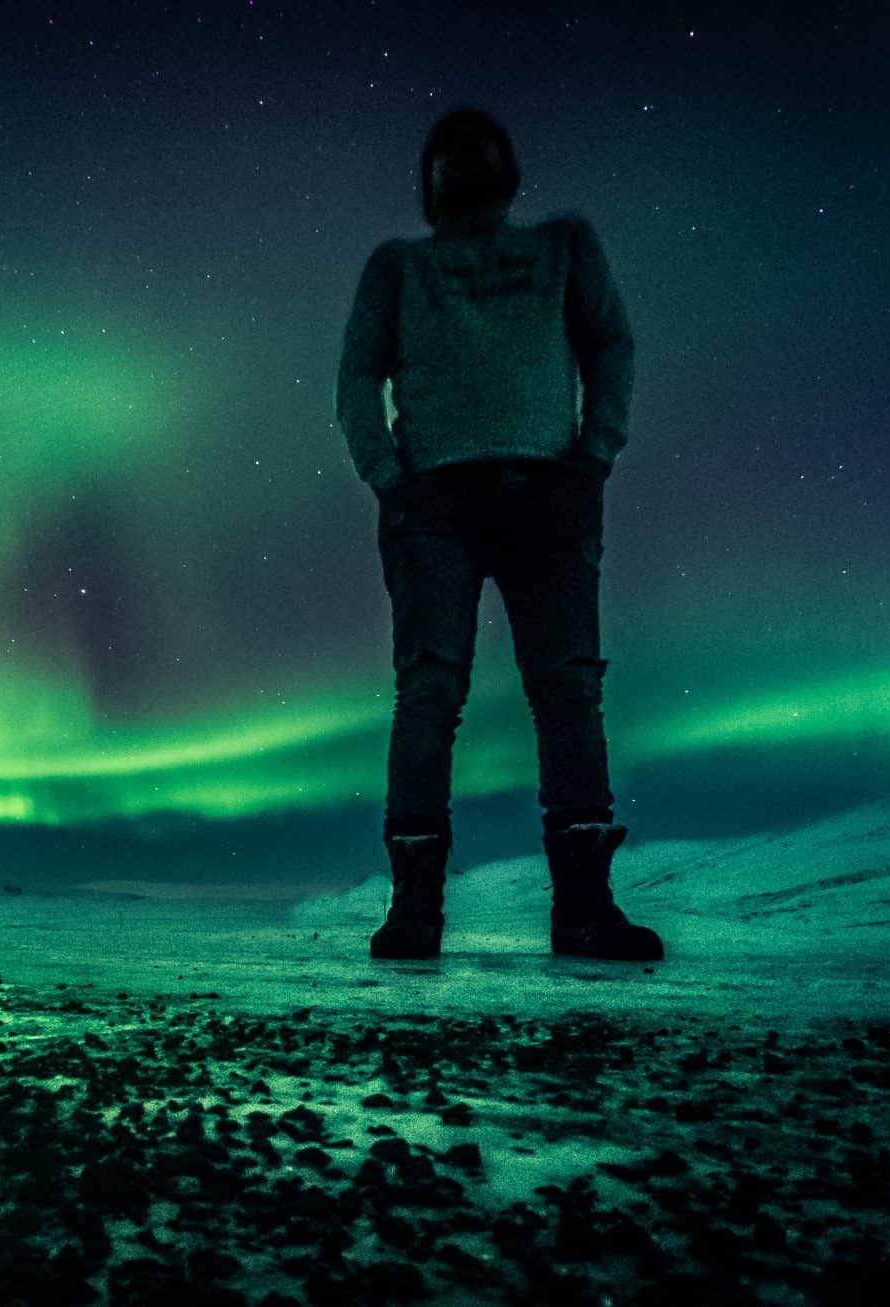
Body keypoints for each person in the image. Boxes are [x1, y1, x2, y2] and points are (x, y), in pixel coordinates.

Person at [334, 105, 662, 963]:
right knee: (437, 692)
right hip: (433, 502)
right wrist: (389, 478)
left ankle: (583, 908)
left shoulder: (563, 247)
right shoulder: (398, 267)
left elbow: (610, 344)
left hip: (546, 492)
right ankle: (416, 913)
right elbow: (357, 377)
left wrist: (593, 455)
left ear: (507, 176)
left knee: (562, 691)